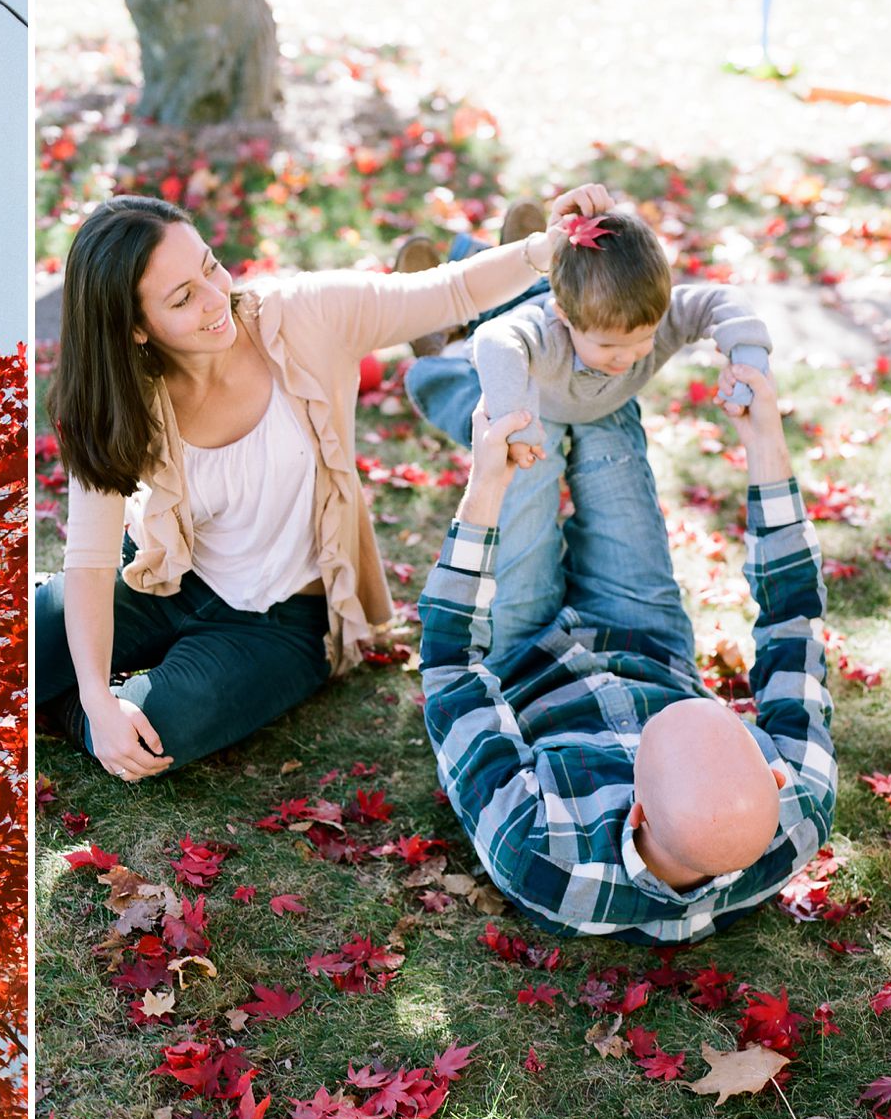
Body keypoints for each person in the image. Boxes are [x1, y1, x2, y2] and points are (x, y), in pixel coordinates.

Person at [37, 184, 613, 781]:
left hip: (281, 621)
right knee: (4, 655)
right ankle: (81, 695)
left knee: (156, 736)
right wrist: (100, 699)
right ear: (134, 328)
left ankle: (76, 710)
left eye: (211, 265)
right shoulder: (110, 401)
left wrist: (541, 250)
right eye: (184, 298)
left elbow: (450, 290)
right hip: (161, 575)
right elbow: (91, 563)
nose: (217, 298)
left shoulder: (303, 316)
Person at [417, 362, 835, 944]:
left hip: (520, 655)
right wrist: (765, 437)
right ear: (772, 777)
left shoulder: (540, 846)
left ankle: (466, 339)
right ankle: (555, 303)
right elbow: (795, 621)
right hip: (648, 638)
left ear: (635, 810)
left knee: (521, 445)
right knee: (607, 406)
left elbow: (449, 666)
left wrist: (486, 484)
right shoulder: (801, 807)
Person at [405, 209, 774, 658]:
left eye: (643, 340)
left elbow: (719, 300)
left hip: (589, 392)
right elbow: (495, 341)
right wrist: (513, 409)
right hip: (519, 377)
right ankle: (439, 317)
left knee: (569, 320)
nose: (629, 357)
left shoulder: (648, 318)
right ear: (566, 318)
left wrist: (747, 352)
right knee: (474, 369)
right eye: (609, 346)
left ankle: (520, 267)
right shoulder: (546, 329)